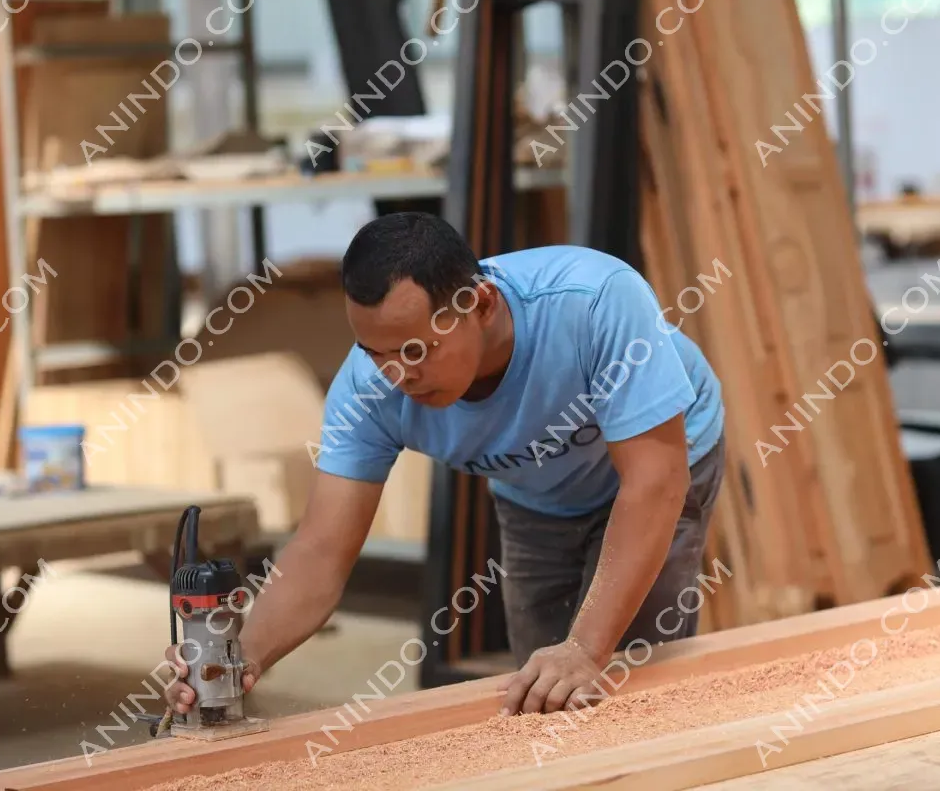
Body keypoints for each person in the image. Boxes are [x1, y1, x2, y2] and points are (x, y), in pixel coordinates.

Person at [164, 212, 726, 717]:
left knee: (628, 677)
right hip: (534, 491)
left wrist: (586, 648)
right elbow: (319, 551)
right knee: (544, 691)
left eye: (414, 351)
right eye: (375, 354)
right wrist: (240, 658)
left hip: (662, 462)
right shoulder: (368, 392)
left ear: (479, 305)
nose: (395, 376)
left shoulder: (595, 299)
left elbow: (654, 482)